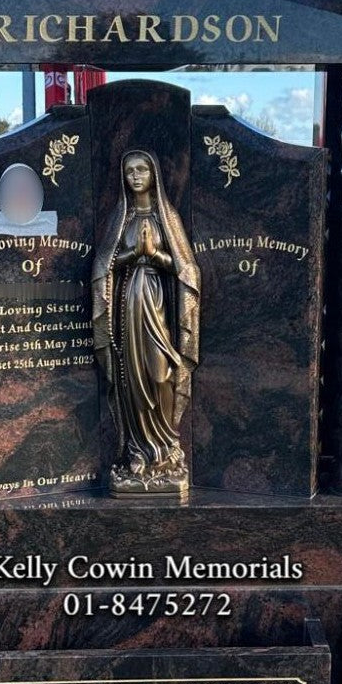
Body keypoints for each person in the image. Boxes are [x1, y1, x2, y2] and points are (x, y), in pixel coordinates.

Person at [92, 149, 200, 497]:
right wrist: (131, 255)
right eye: (129, 171)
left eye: (141, 170)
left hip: (157, 302)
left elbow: (186, 269)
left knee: (160, 373)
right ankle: (137, 451)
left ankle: (166, 443)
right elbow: (102, 267)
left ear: (154, 174)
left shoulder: (166, 216)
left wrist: (154, 256)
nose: (135, 176)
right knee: (130, 380)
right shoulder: (120, 219)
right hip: (127, 307)